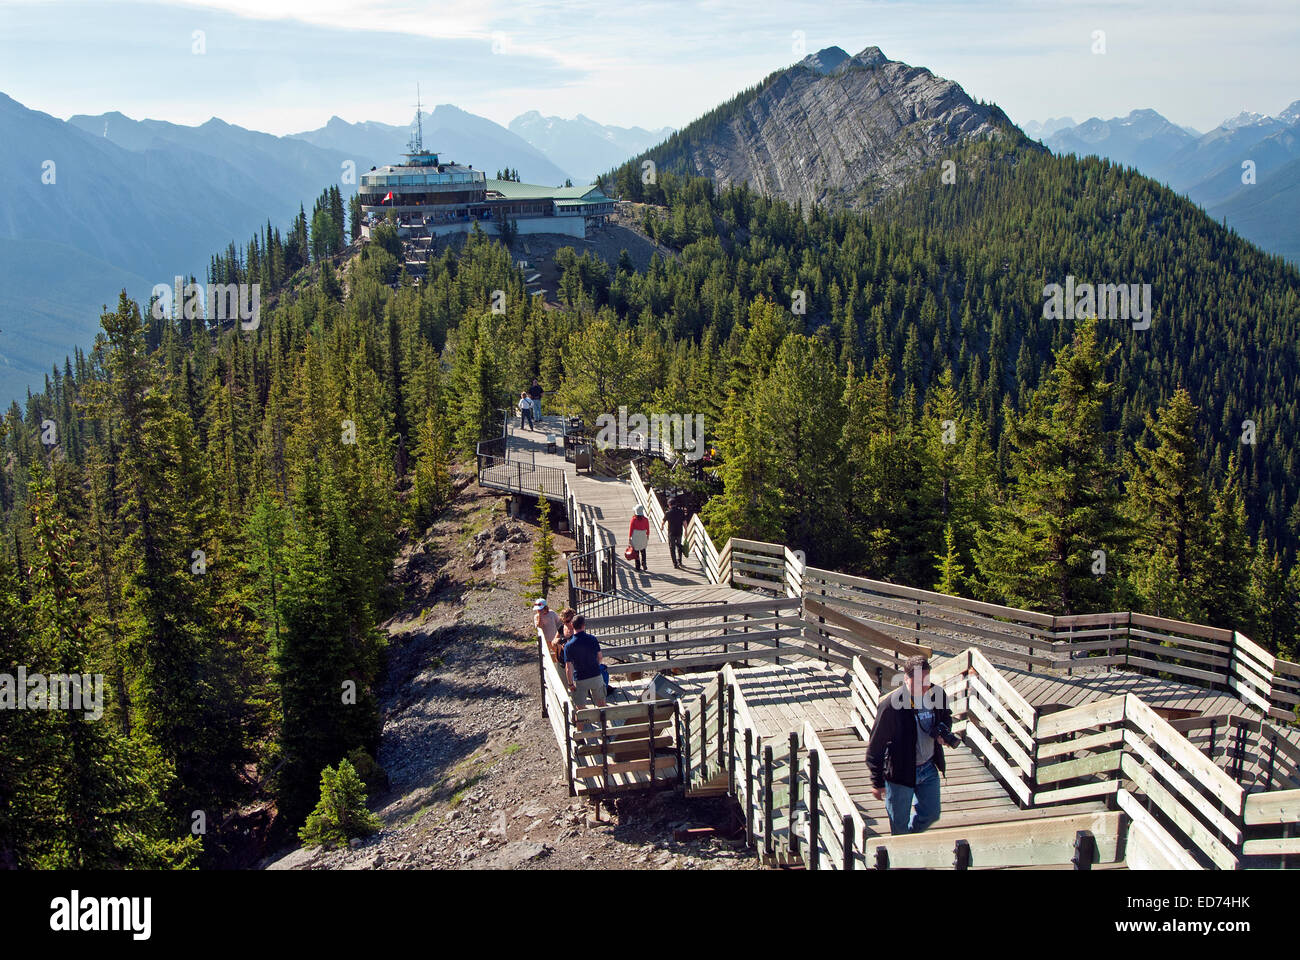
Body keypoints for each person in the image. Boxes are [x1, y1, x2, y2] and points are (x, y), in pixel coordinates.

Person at [865, 655, 956, 835]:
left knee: (931, 814)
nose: (923, 686)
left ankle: (911, 842)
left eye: (926, 680)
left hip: (928, 768)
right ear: (905, 679)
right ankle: (901, 857)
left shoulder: (936, 694)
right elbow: (875, 746)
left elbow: (946, 717)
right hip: (900, 774)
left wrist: (943, 732)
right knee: (899, 826)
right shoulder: (891, 706)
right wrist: (877, 781)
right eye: (917, 681)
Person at [561, 614, 606, 709]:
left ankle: (580, 724)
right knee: (602, 705)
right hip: (595, 675)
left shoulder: (568, 646)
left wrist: (570, 683)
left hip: (580, 678)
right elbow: (600, 657)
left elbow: (568, 667)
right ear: (583, 625)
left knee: (580, 709)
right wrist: (596, 665)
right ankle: (604, 723)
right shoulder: (592, 639)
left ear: (572, 626)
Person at [661, 497, 687, 569]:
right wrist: (686, 531)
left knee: (672, 548)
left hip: (671, 533)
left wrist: (662, 527)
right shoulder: (681, 512)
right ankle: (680, 561)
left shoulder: (668, 513)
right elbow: (684, 522)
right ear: (675, 504)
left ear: (669, 505)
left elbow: (663, 521)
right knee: (679, 546)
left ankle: (675, 563)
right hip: (679, 532)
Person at [628, 504, 650, 572]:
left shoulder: (633, 520)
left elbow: (631, 529)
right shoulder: (645, 519)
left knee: (636, 551)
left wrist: (629, 538)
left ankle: (638, 566)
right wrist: (647, 536)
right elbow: (647, 529)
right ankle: (644, 563)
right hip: (643, 536)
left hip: (636, 537)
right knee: (643, 551)